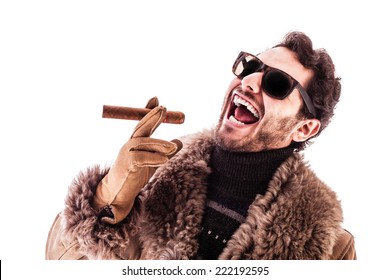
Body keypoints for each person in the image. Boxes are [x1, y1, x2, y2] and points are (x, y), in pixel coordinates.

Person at [46, 31, 356, 260]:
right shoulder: (153, 184)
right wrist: (108, 201)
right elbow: (56, 261)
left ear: (304, 128)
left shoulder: (333, 250)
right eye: (250, 67)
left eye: (277, 84)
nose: (249, 82)